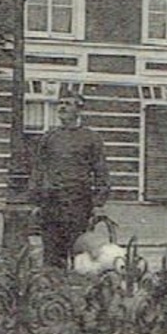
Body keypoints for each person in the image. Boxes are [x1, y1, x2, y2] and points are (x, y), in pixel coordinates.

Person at [29, 97, 111, 269]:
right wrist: (36, 201)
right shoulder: (49, 137)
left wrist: (98, 203)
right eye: (60, 104)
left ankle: (75, 288)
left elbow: (101, 171)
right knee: (51, 251)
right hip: (52, 202)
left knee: (78, 250)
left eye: (68, 104)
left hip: (79, 201)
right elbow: (39, 169)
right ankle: (53, 288)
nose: (62, 107)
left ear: (79, 110)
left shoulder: (91, 138)